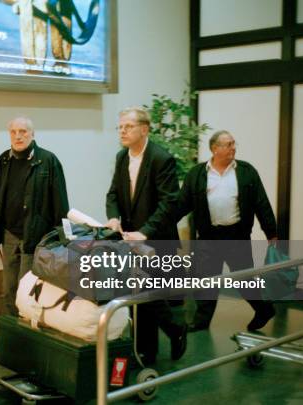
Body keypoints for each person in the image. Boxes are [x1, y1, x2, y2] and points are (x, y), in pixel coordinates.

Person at [105, 107, 187, 364]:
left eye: (127, 126)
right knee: (138, 295)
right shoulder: (121, 158)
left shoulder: (161, 159)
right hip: (128, 238)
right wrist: (114, 216)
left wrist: (145, 232)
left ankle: (161, 341)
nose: (122, 131)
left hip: (156, 239)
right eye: (119, 127)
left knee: (148, 295)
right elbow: (113, 195)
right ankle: (148, 349)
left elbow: (169, 204)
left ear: (144, 129)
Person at [177, 130, 277, 332]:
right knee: (205, 279)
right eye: (228, 144)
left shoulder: (246, 171)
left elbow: (261, 203)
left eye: (233, 143)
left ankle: (263, 309)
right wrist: (157, 226)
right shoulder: (197, 174)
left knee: (244, 279)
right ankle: (202, 321)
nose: (233, 147)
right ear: (215, 148)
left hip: (236, 236)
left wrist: (271, 233)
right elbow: (181, 204)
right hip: (208, 237)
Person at [0, 117, 69, 316]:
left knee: (26, 291)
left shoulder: (48, 161)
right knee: (9, 289)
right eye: (14, 132)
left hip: (34, 236)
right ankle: (11, 338)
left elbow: (60, 203)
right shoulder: (4, 160)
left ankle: (27, 338)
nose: (18, 136)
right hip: (9, 235)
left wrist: (60, 239)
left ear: (32, 134)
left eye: (23, 131)